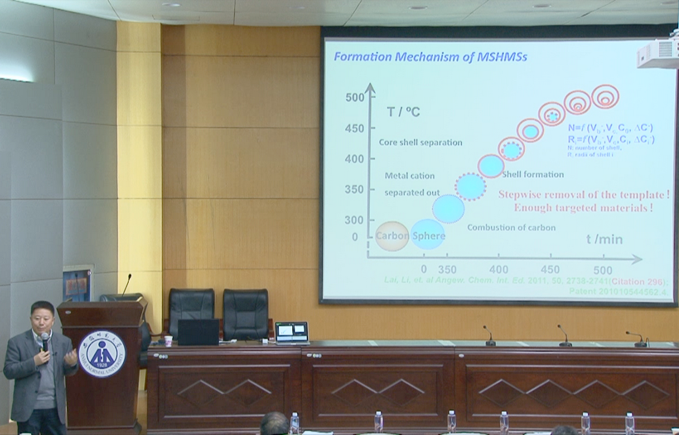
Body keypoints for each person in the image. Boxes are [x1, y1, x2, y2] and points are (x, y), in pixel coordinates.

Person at [3, 301, 79, 435]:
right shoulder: (17, 342)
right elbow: (9, 371)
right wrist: (33, 362)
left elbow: (68, 371)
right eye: (37, 318)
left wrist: (72, 364)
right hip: (28, 409)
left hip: (54, 409)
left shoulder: (63, 341)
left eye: (46, 319)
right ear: (31, 319)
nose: (41, 323)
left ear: (53, 321)